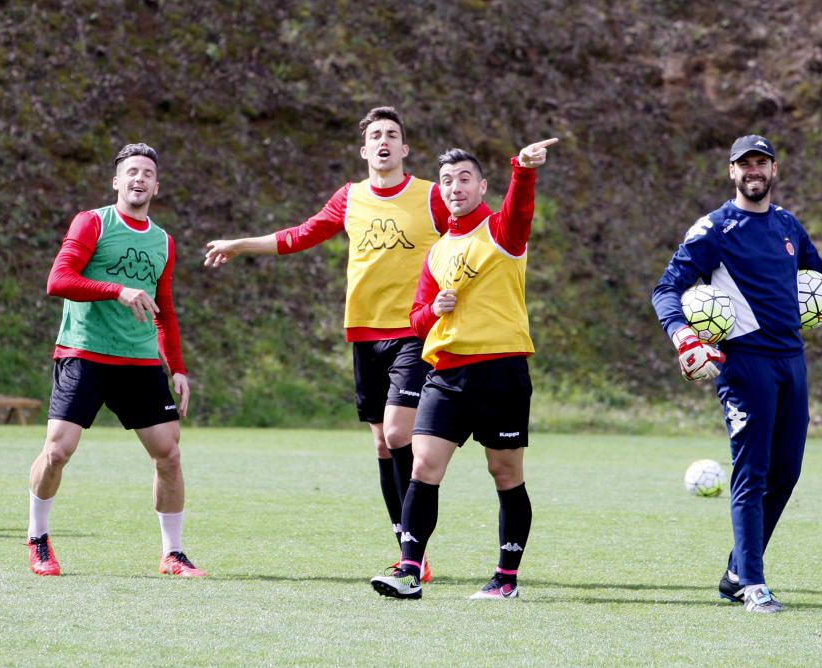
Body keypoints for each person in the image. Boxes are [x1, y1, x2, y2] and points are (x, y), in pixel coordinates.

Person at [203, 107, 449, 580]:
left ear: (405, 149)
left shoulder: (432, 197)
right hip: (363, 331)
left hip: (415, 332)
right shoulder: (351, 198)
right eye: (375, 135)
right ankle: (407, 543)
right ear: (364, 150)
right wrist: (240, 244)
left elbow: (470, 235)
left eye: (392, 135)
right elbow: (301, 235)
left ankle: (413, 550)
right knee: (382, 442)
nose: (383, 141)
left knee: (399, 432)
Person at [651, 135, 822, 613]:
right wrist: (685, 338)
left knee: (786, 473)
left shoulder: (788, 224)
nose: (754, 170)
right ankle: (753, 583)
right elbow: (666, 289)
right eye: (744, 163)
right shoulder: (713, 230)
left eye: (761, 163)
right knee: (752, 473)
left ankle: (735, 571)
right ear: (732, 172)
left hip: (792, 362)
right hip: (744, 367)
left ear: (774, 170)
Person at [369, 137, 558, 601]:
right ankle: (409, 571)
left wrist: (524, 169)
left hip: (501, 371)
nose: (455, 187)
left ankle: (505, 579)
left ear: (482, 186)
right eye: (447, 181)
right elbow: (416, 319)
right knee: (423, 467)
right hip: (446, 376)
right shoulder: (435, 253)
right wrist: (434, 308)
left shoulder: (502, 232)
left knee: (506, 473)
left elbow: (520, 208)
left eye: (464, 179)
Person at [27, 143, 205, 577]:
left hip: (139, 363)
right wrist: (116, 289)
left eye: (147, 172)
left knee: (170, 455)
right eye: (131, 172)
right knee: (57, 451)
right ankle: (38, 539)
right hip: (84, 353)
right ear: (116, 181)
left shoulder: (163, 240)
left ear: (156, 186)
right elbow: (59, 280)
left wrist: (176, 367)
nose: (139, 178)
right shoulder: (93, 222)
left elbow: (164, 308)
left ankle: (173, 553)